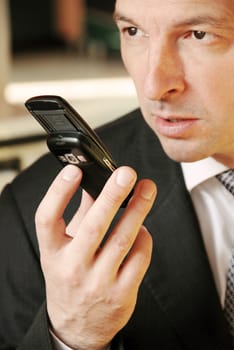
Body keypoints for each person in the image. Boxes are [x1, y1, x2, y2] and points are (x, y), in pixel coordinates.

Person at [0, 0, 234, 349]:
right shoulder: (31, 213)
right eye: (133, 31)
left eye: (198, 35)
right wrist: (71, 336)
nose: (154, 86)